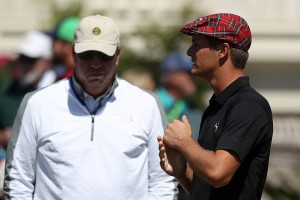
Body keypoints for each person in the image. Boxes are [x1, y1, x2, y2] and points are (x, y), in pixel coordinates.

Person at [4, 15, 176, 199]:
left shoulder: (146, 104)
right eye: (87, 55)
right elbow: (17, 180)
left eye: (104, 55)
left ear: (117, 55)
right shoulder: (37, 103)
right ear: (74, 55)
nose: (95, 63)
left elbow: (163, 181)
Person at [158, 13, 273, 200]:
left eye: (196, 44)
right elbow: (206, 190)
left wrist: (184, 142)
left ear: (223, 50)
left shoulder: (248, 106)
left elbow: (218, 173)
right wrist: (180, 171)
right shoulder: (217, 105)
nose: (189, 52)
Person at [0, 30, 54, 198]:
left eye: (31, 60)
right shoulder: (9, 88)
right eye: (22, 58)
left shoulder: (60, 89)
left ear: (46, 61)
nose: (25, 64)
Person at [156, 51, 203, 200]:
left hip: (181, 190)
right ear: (171, 75)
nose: (193, 76)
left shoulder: (194, 110)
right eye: (187, 73)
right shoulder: (147, 102)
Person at [50, 16, 80, 80]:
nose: (52, 44)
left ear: (68, 45)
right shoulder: (66, 73)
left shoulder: (72, 79)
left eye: (55, 39)